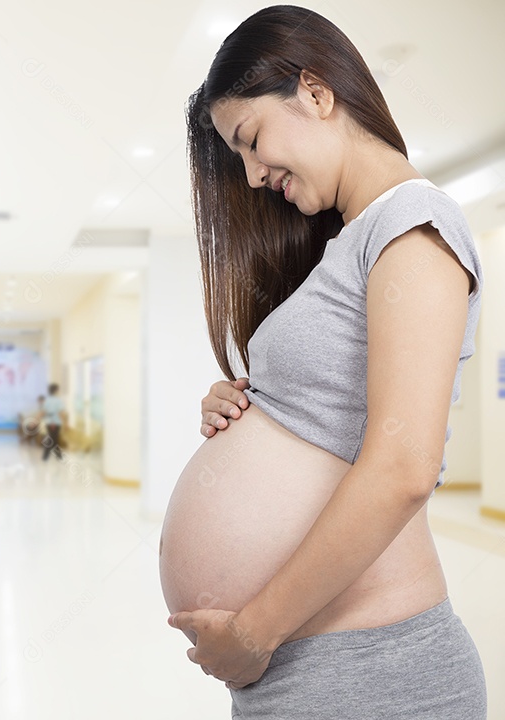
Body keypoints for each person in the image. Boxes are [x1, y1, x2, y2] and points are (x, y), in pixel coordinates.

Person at [160, 6, 486, 719]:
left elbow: (403, 470)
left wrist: (251, 632)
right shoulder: (347, 241)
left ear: (314, 91)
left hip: (374, 672)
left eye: (250, 140)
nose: (249, 176)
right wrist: (248, 403)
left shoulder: (413, 226)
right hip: (313, 669)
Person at [40, 384, 66, 461]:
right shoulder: (58, 401)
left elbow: (43, 412)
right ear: (55, 391)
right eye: (58, 390)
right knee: (53, 439)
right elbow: (61, 412)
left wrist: (36, 419)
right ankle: (49, 456)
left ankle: (55, 455)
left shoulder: (47, 400)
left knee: (53, 438)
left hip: (48, 422)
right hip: (56, 422)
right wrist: (66, 422)